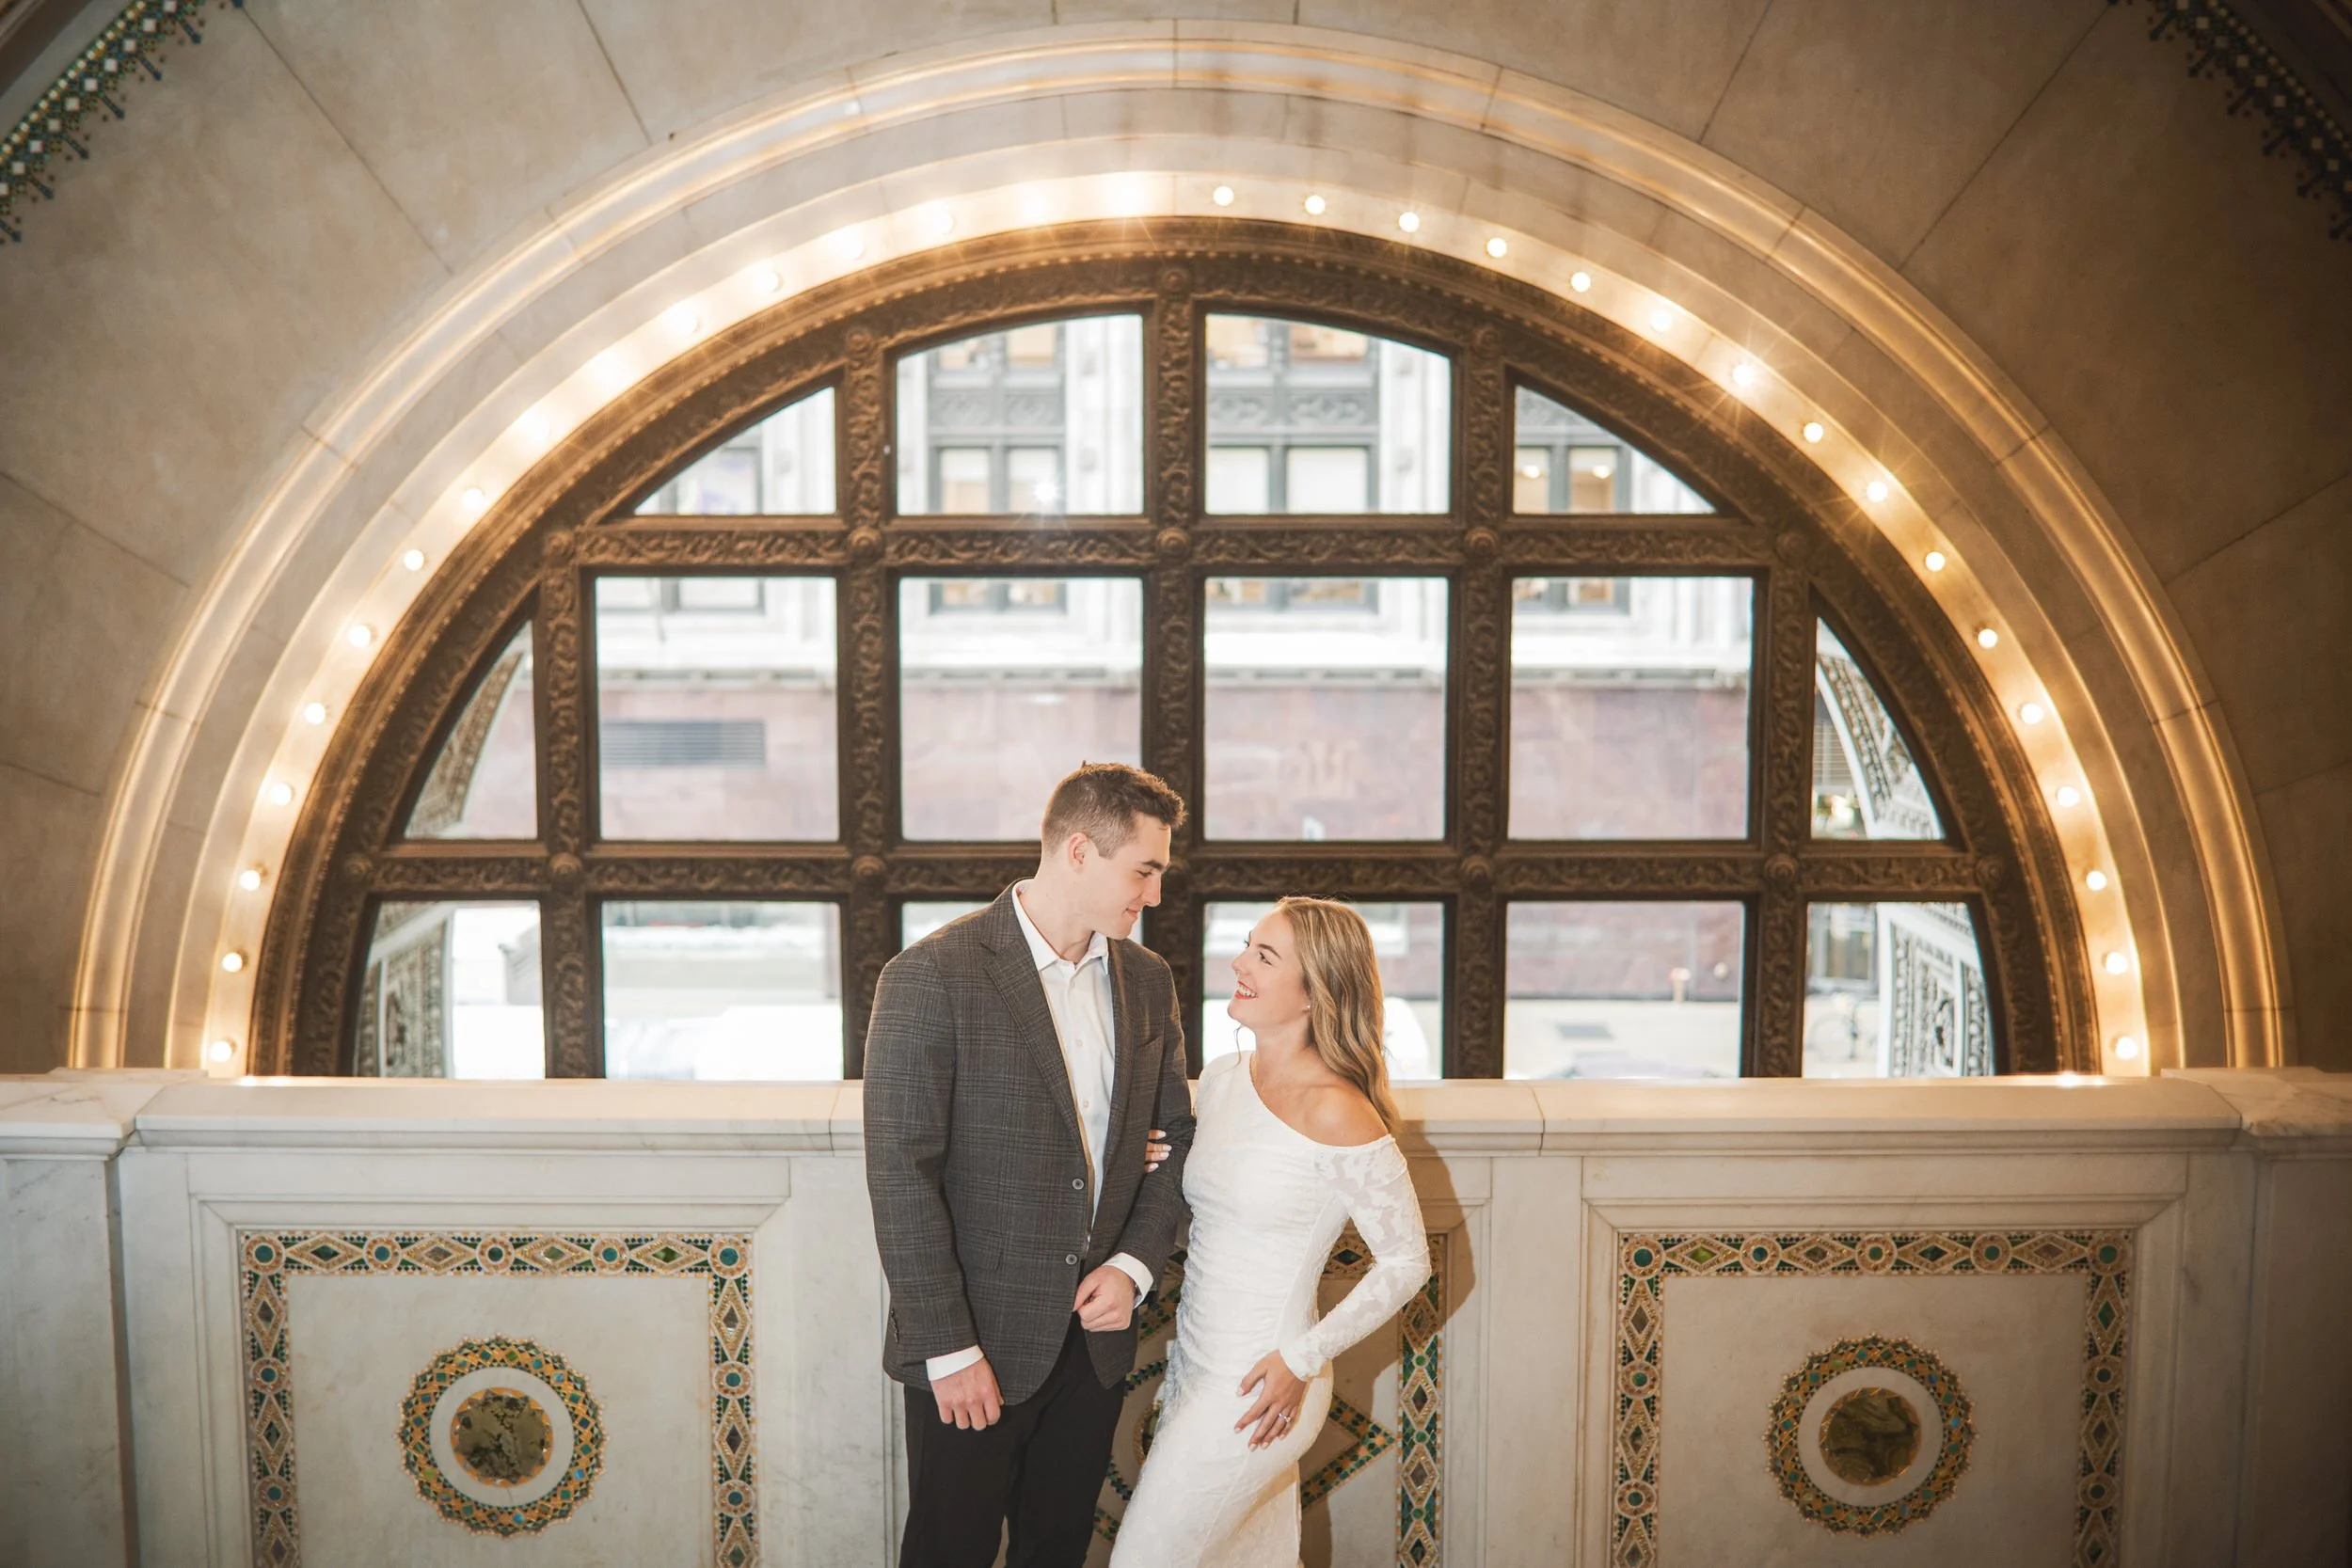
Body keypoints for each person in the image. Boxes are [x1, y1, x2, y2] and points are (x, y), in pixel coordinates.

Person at [865, 763, 1198, 1567]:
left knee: (1057, 1549)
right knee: (949, 1550)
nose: (1154, 895)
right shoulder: (930, 976)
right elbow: (900, 1174)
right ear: (1080, 850)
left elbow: (1175, 1137)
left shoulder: (1148, 982)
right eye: (1143, 870)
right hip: (972, 1348)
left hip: (1095, 1343)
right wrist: (949, 1348)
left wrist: (1132, 1265)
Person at [1110, 897, 1430, 1566]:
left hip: (1264, 1387)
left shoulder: (1341, 1110)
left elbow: (1407, 1262)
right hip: (1194, 1365)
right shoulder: (1225, 1077)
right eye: (1247, 946)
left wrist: (1301, 1360)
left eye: (1264, 954)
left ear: (1316, 991)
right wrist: (1138, 1158)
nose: (1238, 963)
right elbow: (1207, 1199)